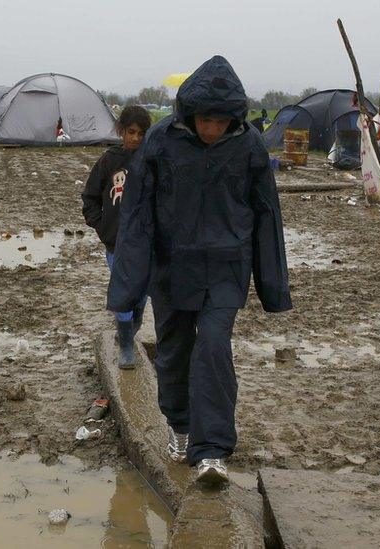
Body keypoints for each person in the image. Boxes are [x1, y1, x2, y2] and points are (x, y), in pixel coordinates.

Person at [107, 55, 292, 486]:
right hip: (171, 268)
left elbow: (267, 214)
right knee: (173, 352)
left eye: (221, 121)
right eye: (206, 120)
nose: (212, 130)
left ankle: (211, 451)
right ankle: (181, 425)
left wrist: (272, 285)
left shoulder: (249, 146)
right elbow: (137, 215)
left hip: (227, 267)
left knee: (213, 347)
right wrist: (129, 284)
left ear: (234, 118)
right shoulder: (159, 142)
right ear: (190, 115)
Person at [82, 105, 152, 368]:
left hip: (146, 244)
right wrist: (102, 226)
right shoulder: (109, 161)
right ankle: (125, 346)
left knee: (141, 294)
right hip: (117, 243)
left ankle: (132, 328)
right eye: (131, 132)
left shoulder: (152, 161)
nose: (135, 138)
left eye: (141, 133)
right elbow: (90, 197)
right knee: (124, 290)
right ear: (121, 131)